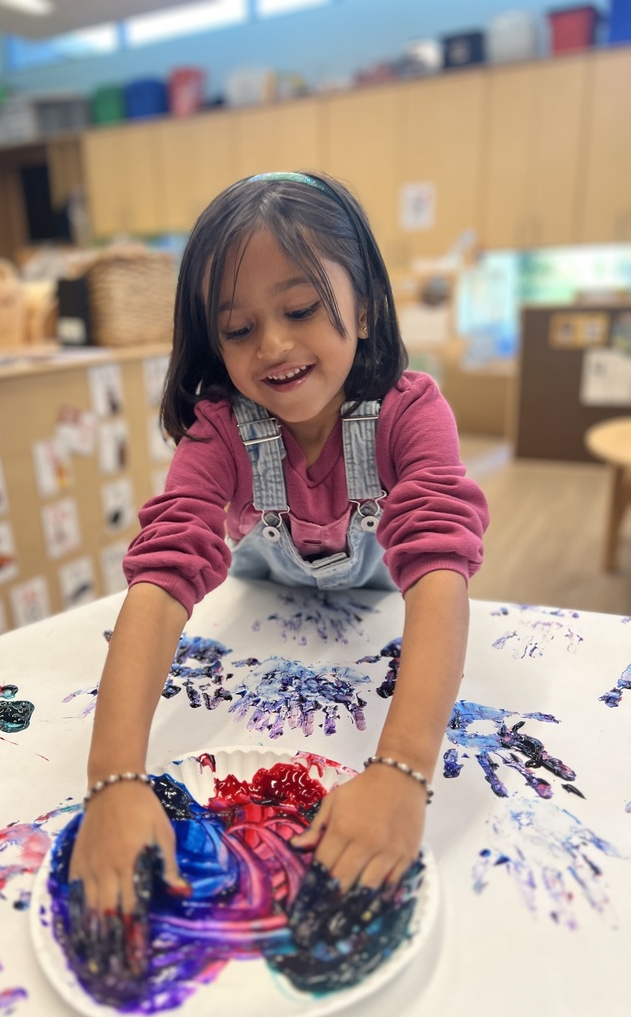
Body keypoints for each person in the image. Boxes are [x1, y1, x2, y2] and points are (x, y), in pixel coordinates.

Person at [69, 170, 489, 940]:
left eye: (300, 309)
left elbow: (436, 570)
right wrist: (113, 779)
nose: (273, 345)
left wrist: (399, 770)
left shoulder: (408, 410)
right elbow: (163, 580)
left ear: (363, 306)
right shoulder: (220, 430)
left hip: (379, 611)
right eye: (237, 329)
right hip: (262, 612)